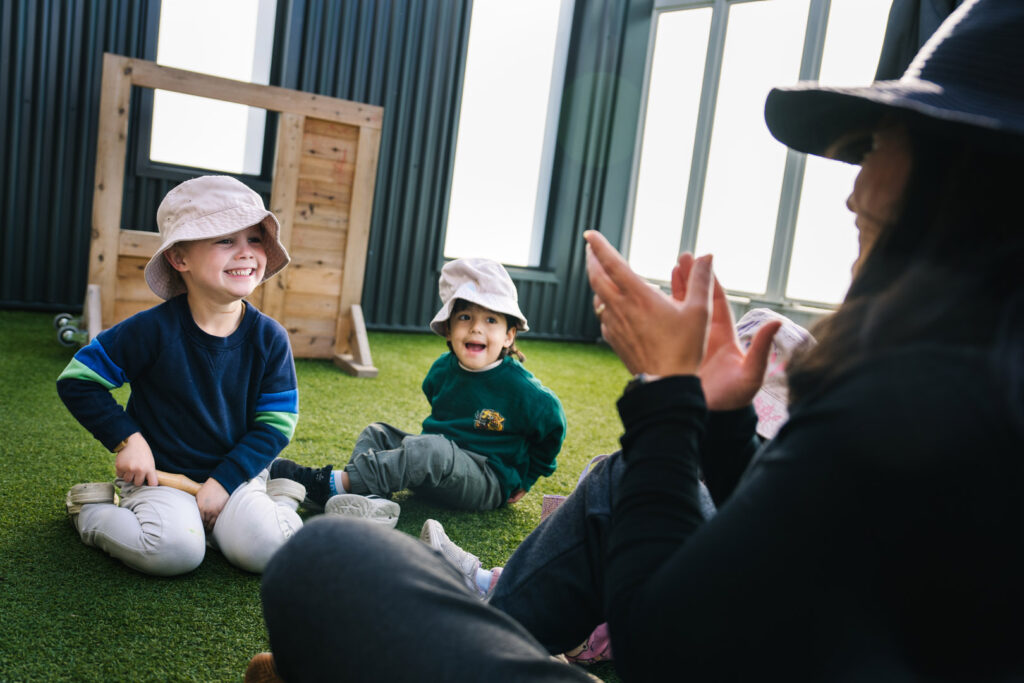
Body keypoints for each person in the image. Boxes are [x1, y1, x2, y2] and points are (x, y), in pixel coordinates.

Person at [253, 1, 1024, 680]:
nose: (857, 176)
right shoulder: (967, 380)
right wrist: (717, 417)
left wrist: (665, 398)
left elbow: (670, 648)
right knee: (624, 477)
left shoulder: (920, 402)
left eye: (894, 136)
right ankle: (484, 635)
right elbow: (800, 559)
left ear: (968, 181)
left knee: (326, 561)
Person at [58, 175, 305, 576]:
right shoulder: (151, 330)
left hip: (236, 476)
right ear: (180, 259)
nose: (246, 253)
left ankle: (275, 503)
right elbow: (77, 379)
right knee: (174, 552)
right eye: (226, 240)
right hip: (162, 479)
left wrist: (224, 483)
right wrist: (129, 440)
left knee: (267, 551)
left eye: (255, 239)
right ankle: (92, 512)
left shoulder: (269, 338)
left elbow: (276, 425)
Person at [270, 257, 566, 529]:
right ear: (448, 329)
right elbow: (438, 404)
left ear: (509, 335)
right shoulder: (441, 371)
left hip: (486, 480)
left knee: (431, 450)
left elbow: (553, 426)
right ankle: (371, 501)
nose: (476, 329)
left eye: (491, 320)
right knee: (377, 433)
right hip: (434, 466)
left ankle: (329, 484)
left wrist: (526, 478)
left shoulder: (524, 391)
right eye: (465, 317)